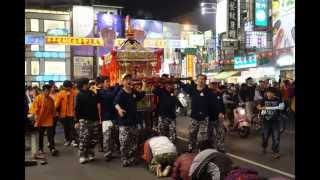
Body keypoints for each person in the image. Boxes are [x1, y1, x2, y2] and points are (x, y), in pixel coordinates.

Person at [179, 74, 221, 152]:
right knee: (192, 134)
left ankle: (202, 150)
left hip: (204, 118)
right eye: (199, 79)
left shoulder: (209, 92)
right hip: (194, 117)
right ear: (197, 80)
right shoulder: (192, 89)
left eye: (203, 79)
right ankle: (191, 148)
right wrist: (178, 81)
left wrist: (219, 113)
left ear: (205, 81)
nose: (201, 81)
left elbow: (214, 104)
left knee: (203, 136)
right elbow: (183, 86)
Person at [114, 74, 146, 167]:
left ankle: (132, 157)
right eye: (126, 79)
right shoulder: (121, 93)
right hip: (124, 123)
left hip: (134, 122)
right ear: (123, 81)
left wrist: (143, 85)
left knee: (134, 141)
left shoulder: (133, 92)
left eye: (130, 79)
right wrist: (119, 109)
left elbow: (140, 96)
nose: (129, 81)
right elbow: (115, 103)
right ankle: (124, 158)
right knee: (124, 142)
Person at [74, 78, 101, 164]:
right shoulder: (79, 95)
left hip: (94, 119)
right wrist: (77, 121)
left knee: (94, 138)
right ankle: (82, 155)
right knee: (84, 138)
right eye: (87, 83)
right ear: (83, 84)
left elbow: (98, 100)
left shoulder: (92, 92)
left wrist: (97, 92)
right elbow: (76, 109)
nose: (89, 84)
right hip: (84, 120)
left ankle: (90, 153)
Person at [29, 84, 59, 156]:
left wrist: (56, 115)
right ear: (43, 91)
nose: (47, 93)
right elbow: (34, 108)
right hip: (41, 120)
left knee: (51, 135)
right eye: (46, 91)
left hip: (49, 120)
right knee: (41, 135)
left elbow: (53, 110)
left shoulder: (51, 99)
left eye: (48, 91)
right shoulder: (38, 98)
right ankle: (40, 149)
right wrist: (34, 115)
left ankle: (52, 148)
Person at [257, 88, 284, 159]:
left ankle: (275, 152)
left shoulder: (278, 99)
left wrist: (280, 107)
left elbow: (282, 107)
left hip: (275, 121)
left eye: (271, 93)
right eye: (268, 92)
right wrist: (261, 107)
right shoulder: (264, 99)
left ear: (274, 94)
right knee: (265, 136)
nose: (269, 94)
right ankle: (264, 147)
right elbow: (258, 106)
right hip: (266, 121)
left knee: (276, 137)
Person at [98, 76, 121, 161]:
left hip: (115, 116)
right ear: (103, 83)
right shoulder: (101, 92)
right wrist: (117, 87)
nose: (108, 83)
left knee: (115, 135)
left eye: (109, 81)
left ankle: (115, 150)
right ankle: (108, 153)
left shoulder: (112, 89)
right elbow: (110, 96)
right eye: (106, 82)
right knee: (107, 136)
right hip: (106, 117)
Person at [55, 80, 77, 147]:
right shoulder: (61, 93)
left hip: (72, 114)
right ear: (64, 87)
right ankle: (67, 140)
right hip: (63, 114)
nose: (67, 88)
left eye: (69, 87)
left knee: (72, 128)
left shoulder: (75, 93)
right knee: (66, 128)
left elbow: (76, 103)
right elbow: (57, 104)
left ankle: (73, 140)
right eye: (66, 87)